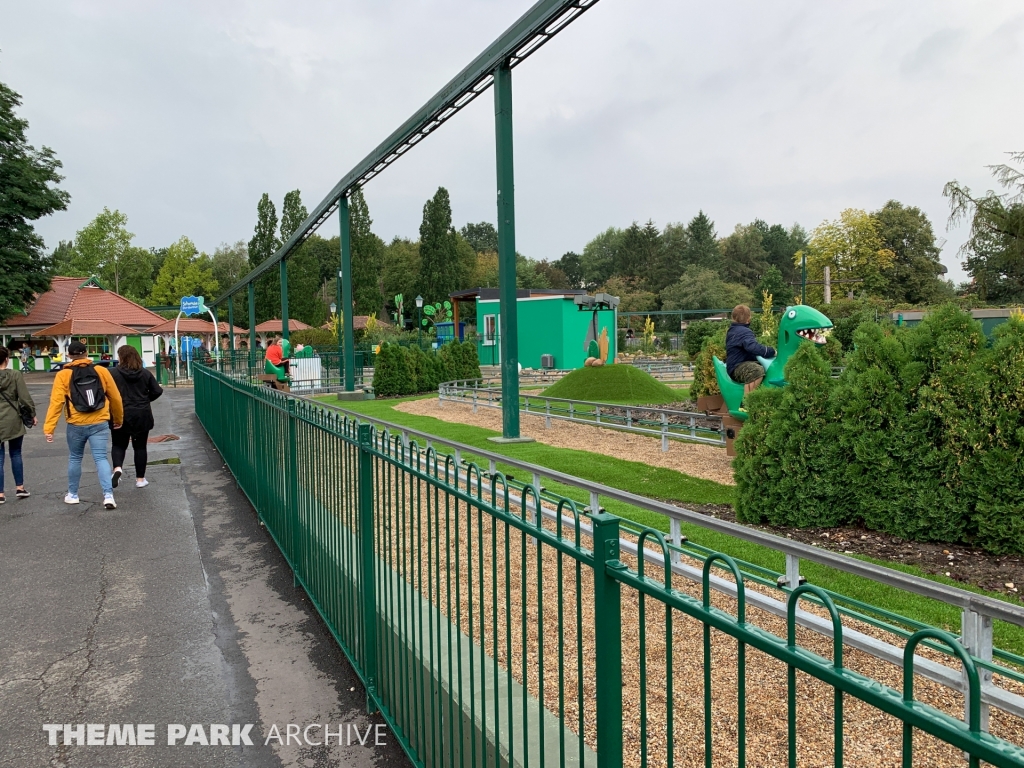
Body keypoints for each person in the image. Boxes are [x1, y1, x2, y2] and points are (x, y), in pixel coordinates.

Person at [43, 340, 124, 508]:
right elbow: (115, 397)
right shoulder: (101, 371)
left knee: (75, 458)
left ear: (69, 356)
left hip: (75, 423)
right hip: (100, 421)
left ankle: (73, 494)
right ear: (87, 354)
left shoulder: (63, 375)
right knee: (101, 458)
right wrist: (118, 419)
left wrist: (49, 428)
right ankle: (108, 495)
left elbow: (56, 403)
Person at [109, 345, 163, 489]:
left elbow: (107, 393)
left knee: (118, 444)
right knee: (140, 447)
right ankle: (140, 479)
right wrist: (145, 399)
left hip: (120, 414)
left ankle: (117, 468)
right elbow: (157, 391)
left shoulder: (113, 374)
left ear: (121, 357)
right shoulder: (145, 373)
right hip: (141, 414)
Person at [0, 346, 37, 503]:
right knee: (15, 453)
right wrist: (32, 413)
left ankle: (0, 494)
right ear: (7, 359)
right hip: (13, 417)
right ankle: (20, 487)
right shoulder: (15, 374)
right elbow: (24, 396)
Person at [725, 304, 776, 395]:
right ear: (748, 318)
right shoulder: (743, 332)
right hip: (738, 367)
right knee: (756, 371)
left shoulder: (733, 330)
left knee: (760, 367)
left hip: (735, 366)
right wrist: (770, 351)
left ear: (733, 317)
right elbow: (753, 347)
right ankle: (746, 402)